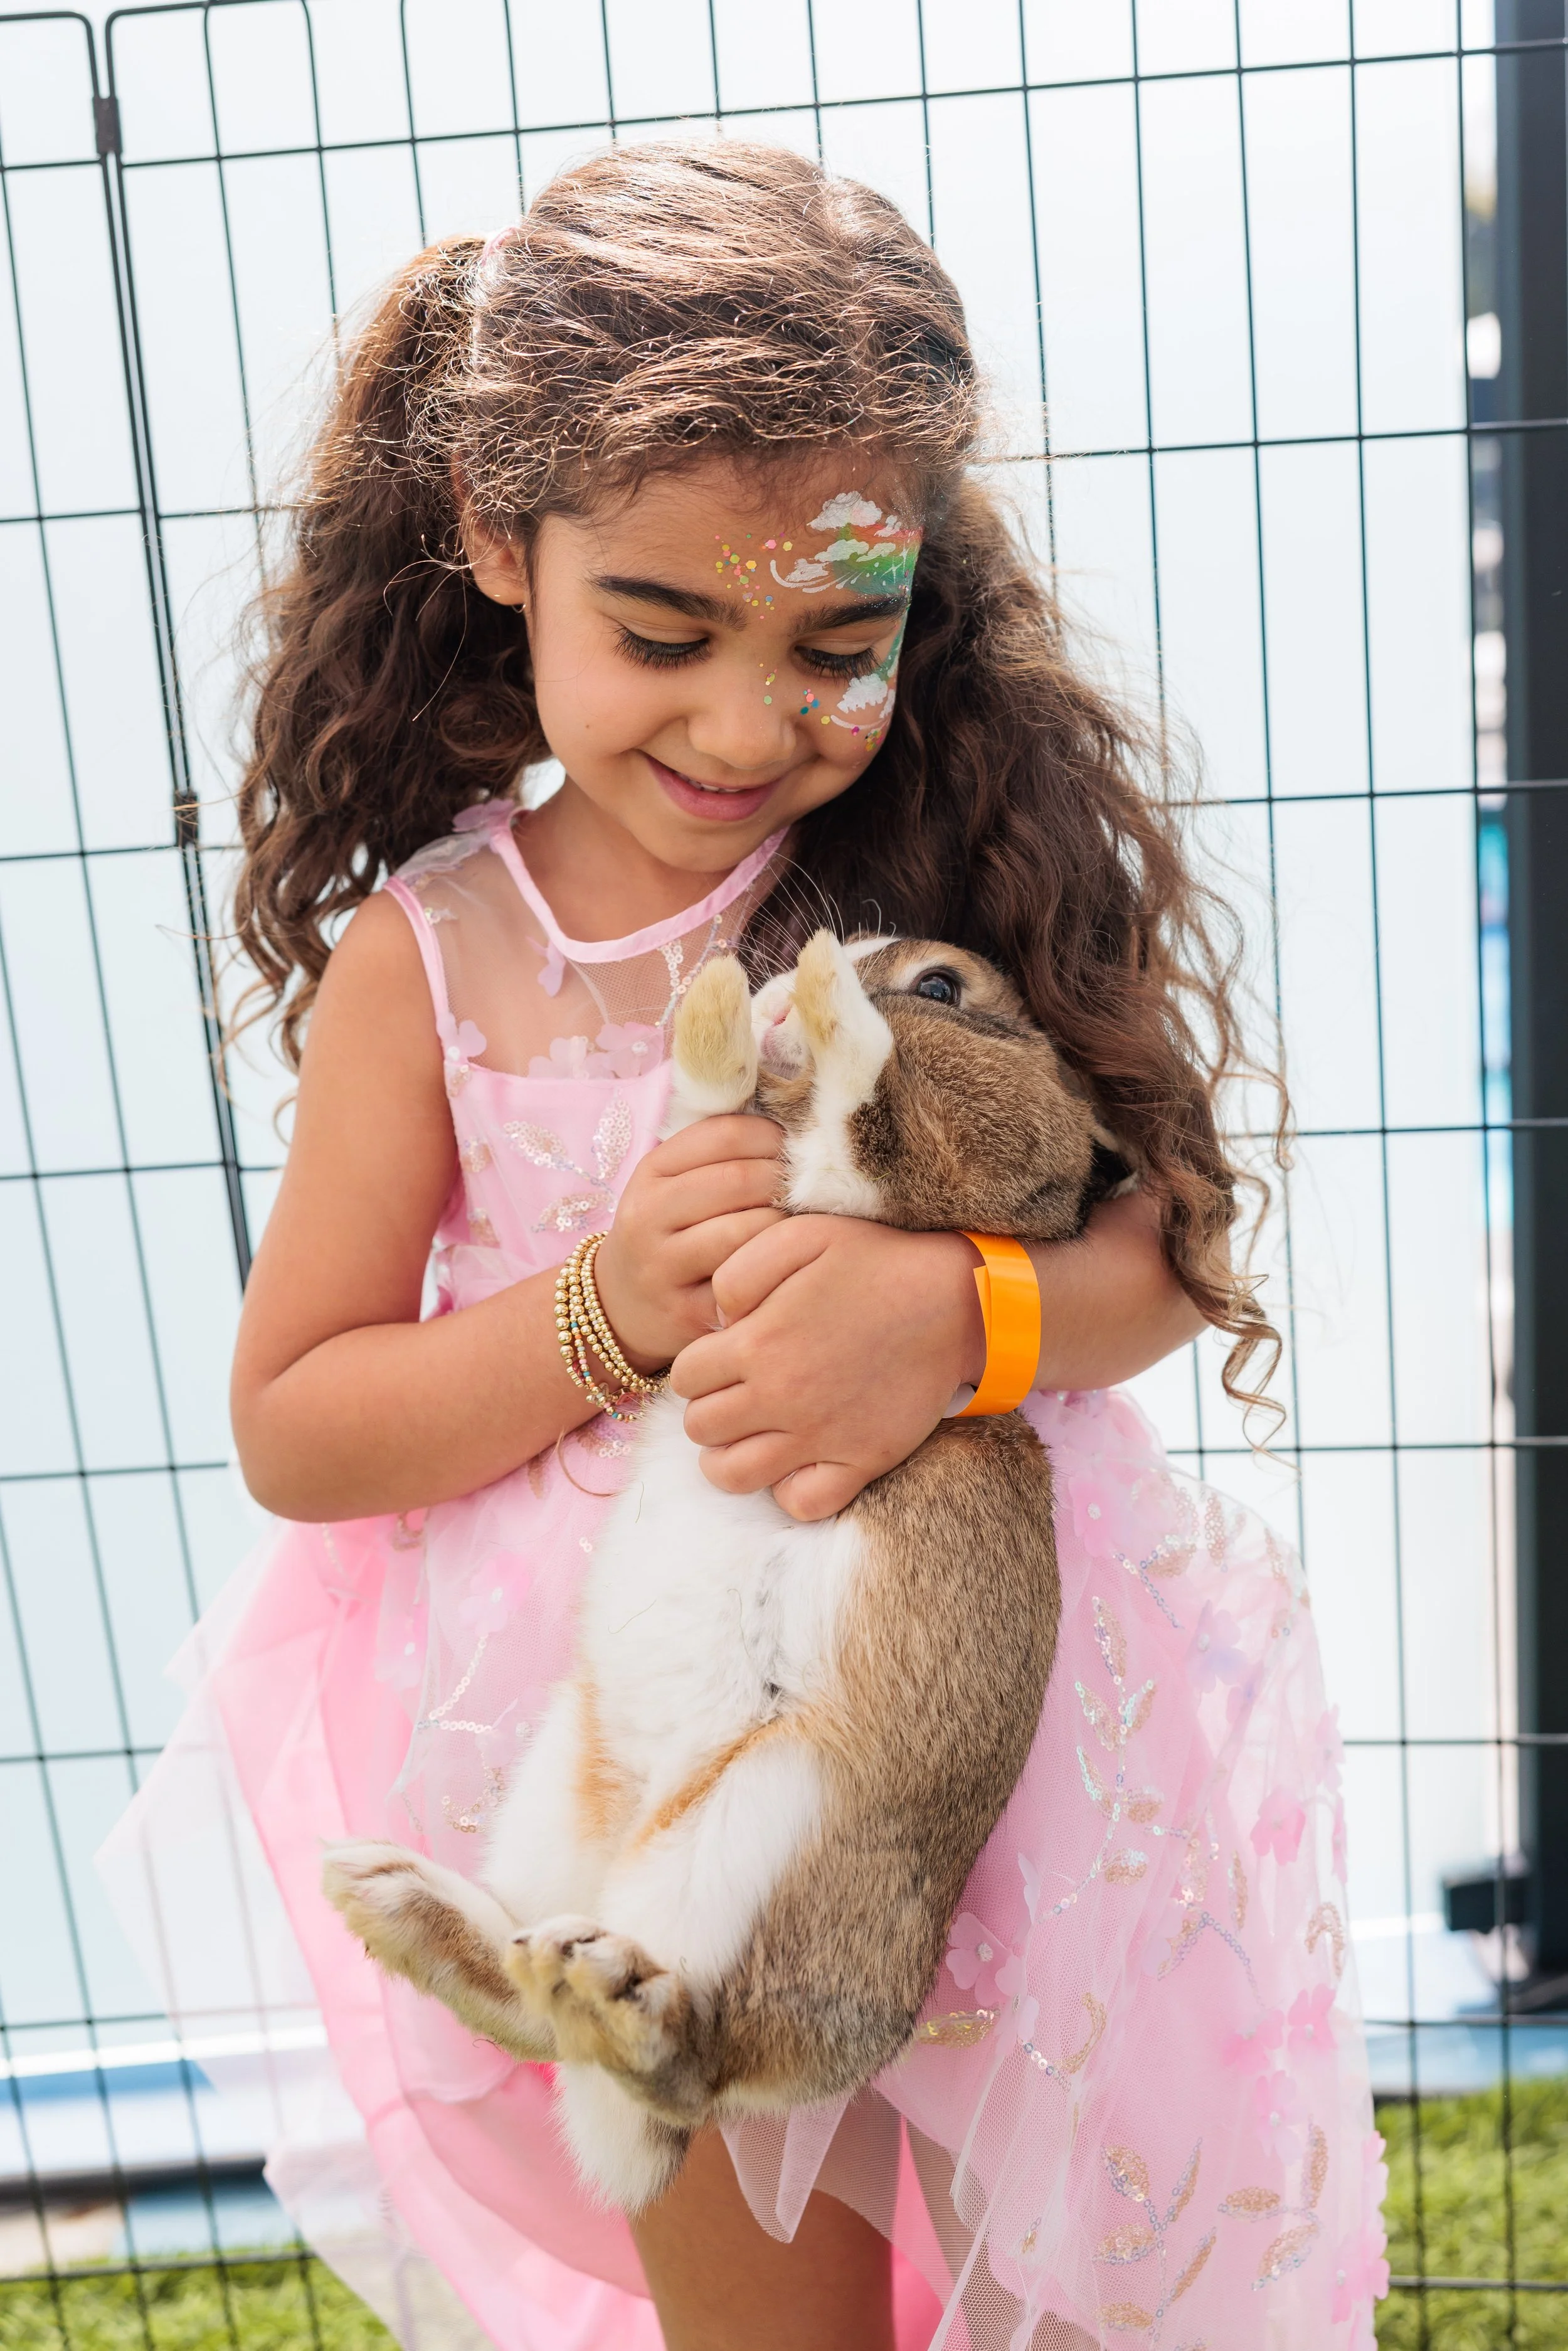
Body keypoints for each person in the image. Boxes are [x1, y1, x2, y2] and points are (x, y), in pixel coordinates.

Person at [105, 142, 1386, 2351]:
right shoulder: (436, 963)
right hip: (643, 1752)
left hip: (985, 1720)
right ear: (503, 545)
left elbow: (1163, 1245)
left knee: (1080, 2268)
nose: (740, 723)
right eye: (665, 632)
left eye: (836, 645)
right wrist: (603, 1308)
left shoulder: (954, 852)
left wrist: (957, 1312)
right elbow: (301, 1424)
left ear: (918, 594)